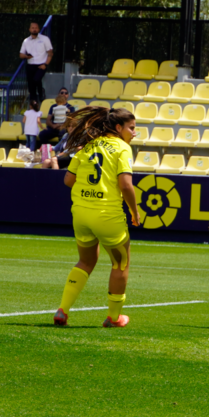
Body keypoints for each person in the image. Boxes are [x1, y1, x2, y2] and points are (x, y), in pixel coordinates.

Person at [54, 106, 139, 328]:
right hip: (107, 214)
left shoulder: (87, 146)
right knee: (120, 263)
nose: (134, 133)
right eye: (132, 128)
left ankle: (62, 310)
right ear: (118, 127)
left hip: (81, 213)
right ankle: (113, 317)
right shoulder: (122, 148)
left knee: (86, 260)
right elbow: (126, 185)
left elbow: (68, 181)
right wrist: (135, 211)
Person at [19, 23, 54, 104]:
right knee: (31, 84)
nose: (34, 29)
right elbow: (21, 55)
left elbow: (50, 53)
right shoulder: (26, 41)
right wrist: (26, 56)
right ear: (29, 29)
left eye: (36, 28)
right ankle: (33, 100)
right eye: (32, 28)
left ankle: (41, 92)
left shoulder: (45, 39)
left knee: (36, 79)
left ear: (38, 29)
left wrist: (45, 64)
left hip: (41, 64)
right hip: (30, 64)